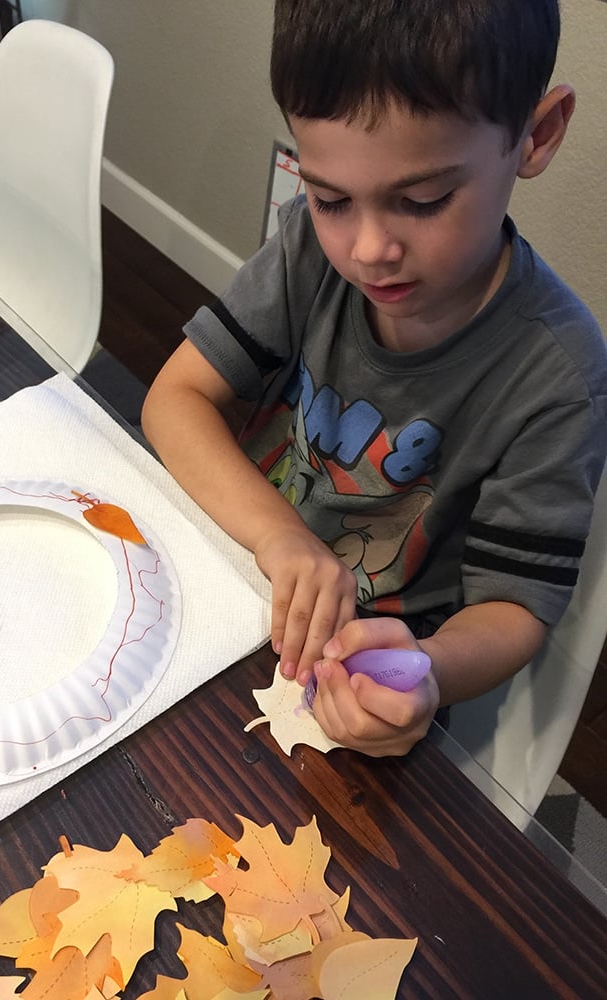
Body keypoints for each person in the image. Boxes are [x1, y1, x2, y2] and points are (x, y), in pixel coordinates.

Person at [142, 0, 607, 756]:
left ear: (537, 134)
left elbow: (514, 610)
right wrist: (282, 539)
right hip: (247, 568)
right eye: (329, 199)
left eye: (421, 202)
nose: (366, 251)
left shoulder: (556, 371)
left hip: (375, 671)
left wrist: (427, 673)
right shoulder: (304, 247)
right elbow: (175, 399)